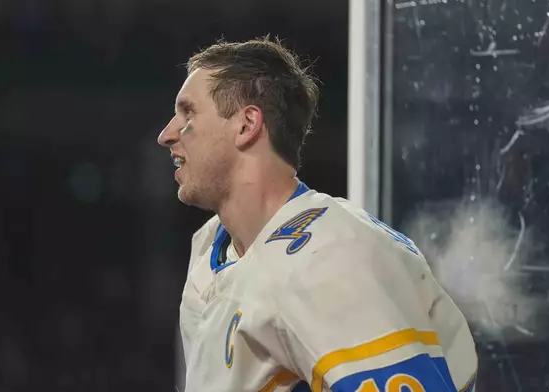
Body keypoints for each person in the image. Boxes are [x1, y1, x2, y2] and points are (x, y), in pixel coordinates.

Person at [157, 36, 478, 392]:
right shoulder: (210, 247)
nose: (167, 134)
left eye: (188, 113)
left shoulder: (329, 256)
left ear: (246, 124)